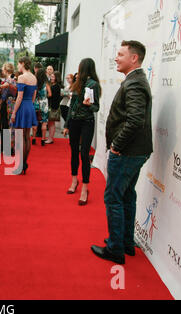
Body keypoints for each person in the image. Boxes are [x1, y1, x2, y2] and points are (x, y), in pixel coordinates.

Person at [91, 40, 152, 265]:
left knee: (114, 197)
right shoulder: (136, 80)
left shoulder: (135, 83)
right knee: (127, 195)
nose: (116, 58)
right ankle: (126, 243)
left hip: (127, 152)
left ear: (133, 58)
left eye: (120, 54)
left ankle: (116, 248)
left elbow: (135, 120)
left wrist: (116, 145)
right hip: (135, 151)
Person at [62, 58, 101, 206]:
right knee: (73, 152)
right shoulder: (77, 83)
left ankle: (85, 188)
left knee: (84, 154)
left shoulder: (93, 85)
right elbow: (71, 105)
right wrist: (66, 124)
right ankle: (74, 180)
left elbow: (96, 107)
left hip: (87, 122)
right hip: (74, 122)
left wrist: (89, 105)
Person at [10, 56, 38, 175]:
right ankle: (24, 164)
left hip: (22, 107)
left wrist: (14, 112)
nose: (17, 66)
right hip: (30, 107)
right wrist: (29, 107)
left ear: (22, 64)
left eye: (18, 64)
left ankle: (20, 165)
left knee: (19, 138)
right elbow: (33, 96)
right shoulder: (34, 77)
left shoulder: (22, 77)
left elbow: (19, 97)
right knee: (27, 136)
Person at [32, 69, 51, 146]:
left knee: (35, 122)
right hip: (44, 104)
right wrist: (45, 96)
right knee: (44, 122)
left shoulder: (35, 84)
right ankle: (43, 139)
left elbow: (33, 94)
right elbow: (50, 94)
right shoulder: (46, 83)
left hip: (36, 103)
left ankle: (33, 138)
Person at [45, 71, 63, 144]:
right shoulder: (54, 85)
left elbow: (50, 96)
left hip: (53, 107)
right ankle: (50, 137)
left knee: (51, 123)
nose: (51, 78)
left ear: (56, 78)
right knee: (50, 123)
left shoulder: (56, 86)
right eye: (51, 76)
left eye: (53, 77)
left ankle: (50, 138)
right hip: (52, 106)